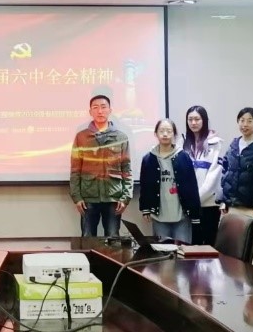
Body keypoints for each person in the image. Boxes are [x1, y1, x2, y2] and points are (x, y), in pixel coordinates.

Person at [69, 95, 132, 238]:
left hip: (113, 198)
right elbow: (75, 170)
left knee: (113, 238)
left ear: (110, 110)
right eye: (95, 107)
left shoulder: (121, 137)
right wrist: (77, 197)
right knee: (88, 238)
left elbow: (127, 169)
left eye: (103, 107)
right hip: (88, 198)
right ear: (90, 111)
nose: (100, 111)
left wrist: (126, 197)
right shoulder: (81, 137)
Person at [221, 107, 253, 265]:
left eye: (249, 121)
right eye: (242, 120)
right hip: (233, 206)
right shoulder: (234, 145)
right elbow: (226, 174)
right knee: (232, 250)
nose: (245, 124)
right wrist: (224, 200)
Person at [139, 119, 200, 242]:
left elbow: (192, 186)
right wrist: (145, 209)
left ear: (174, 134)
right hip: (159, 216)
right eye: (161, 131)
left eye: (169, 131)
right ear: (156, 134)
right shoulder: (148, 159)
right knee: (162, 250)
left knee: (182, 250)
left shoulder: (183, 157)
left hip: (182, 216)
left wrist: (195, 213)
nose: (165, 134)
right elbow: (145, 186)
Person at [183, 105, 225, 246]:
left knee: (208, 247)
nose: (193, 123)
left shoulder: (216, 144)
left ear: (204, 120)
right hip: (189, 206)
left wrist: (196, 199)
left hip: (208, 205)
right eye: (190, 119)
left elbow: (214, 177)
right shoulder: (184, 144)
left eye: (197, 119)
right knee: (190, 246)